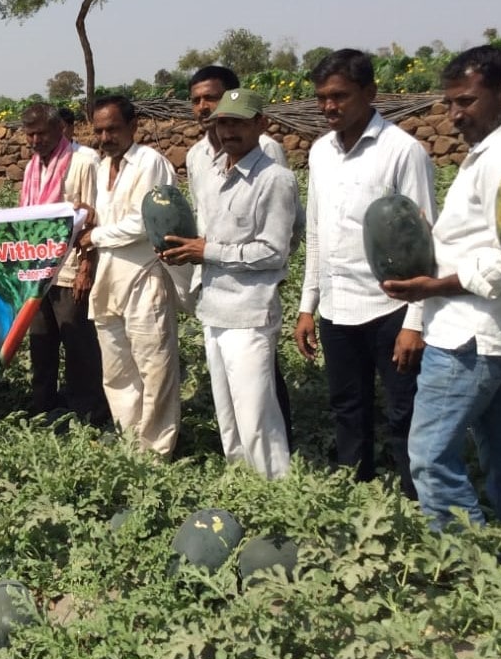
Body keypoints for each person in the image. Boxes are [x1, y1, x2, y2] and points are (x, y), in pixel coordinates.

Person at [381, 46, 501, 531]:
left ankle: (466, 557)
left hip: (470, 334)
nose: (455, 115)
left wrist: (437, 284)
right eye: (450, 103)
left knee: (429, 455)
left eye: (467, 102)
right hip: (497, 330)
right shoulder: (495, 152)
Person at [295, 49, 436, 497]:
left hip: (390, 305)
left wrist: (415, 323)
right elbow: (316, 234)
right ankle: (357, 494)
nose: (329, 107)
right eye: (322, 98)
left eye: (340, 96)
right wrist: (307, 307)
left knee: (403, 410)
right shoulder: (320, 153)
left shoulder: (402, 151)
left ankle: (418, 499)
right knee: (346, 406)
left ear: (370, 93)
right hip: (338, 306)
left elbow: (424, 242)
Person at [163, 89, 298, 478]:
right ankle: (241, 483)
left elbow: (274, 251)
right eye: (223, 122)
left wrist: (209, 252)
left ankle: (274, 487)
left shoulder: (275, 179)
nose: (229, 130)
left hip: (250, 312)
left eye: (239, 122)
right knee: (228, 415)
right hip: (214, 309)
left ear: (261, 124)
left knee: (257, 416)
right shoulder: (213, 173)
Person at [77, 95, 181, 456]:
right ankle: (130, 439)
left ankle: (157, 448)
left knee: (155, 365)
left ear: (133, 126)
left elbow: (144, 222)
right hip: (107, 277)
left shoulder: (150, 163)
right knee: (118, 368)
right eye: (99, 130)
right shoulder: (100, 166)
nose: (106, 137)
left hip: (143, 275)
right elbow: (96, 217)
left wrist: (96, 236)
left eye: (113, 129)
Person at [17, 103, 107, 424]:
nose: (36, 140)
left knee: (79, 344)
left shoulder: (84, 162)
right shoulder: (32, 168)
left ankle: (89, 413)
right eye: (30, 134)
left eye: (41, 133)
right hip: (39, 272)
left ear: (60, 129)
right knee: (41, 344)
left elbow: (95, 217)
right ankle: (44, 407)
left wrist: (87, 268)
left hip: (70, 270)